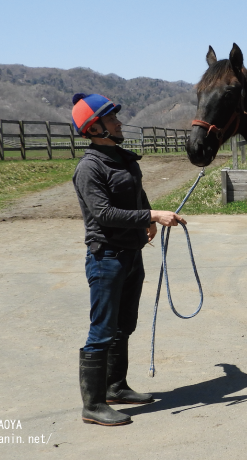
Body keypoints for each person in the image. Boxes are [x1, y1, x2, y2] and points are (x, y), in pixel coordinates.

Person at [71, 93, 186, 426]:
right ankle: (92, 405)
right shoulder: (89, 167)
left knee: (125, 326)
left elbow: (137, 192)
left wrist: (147, 219)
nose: (120, 121)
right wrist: (152, 214)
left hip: (131, 256)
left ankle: (115, 387)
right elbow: (103, 213)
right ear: (95, 128)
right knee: (102, 330)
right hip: (106, 258)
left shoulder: (122, 158)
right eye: (112, 118)